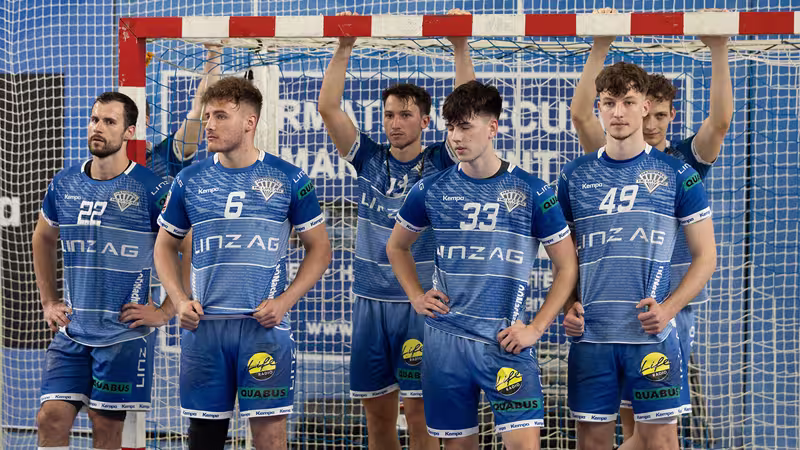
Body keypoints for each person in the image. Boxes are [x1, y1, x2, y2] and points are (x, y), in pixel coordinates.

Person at [386, 80, 578, 450]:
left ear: (492, 128)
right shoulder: (430, 188)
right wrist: (416, 296)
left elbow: (567, 266)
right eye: (451, 127)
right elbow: (396, 246)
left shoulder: (533, 190)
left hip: (505, 343)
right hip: (445, 344)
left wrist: (536, 328)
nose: (456, 137)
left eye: (466, 126)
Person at [317, 9, 476, 450]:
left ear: (425, 121)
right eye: (389, 115)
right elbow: (328, 107)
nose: (395, 123)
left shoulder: (442, 162)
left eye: (405, 115)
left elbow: (468, 106)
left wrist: (460, 45)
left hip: (420, 302)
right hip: (370, 301)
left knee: (420, 413)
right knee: (378, 416)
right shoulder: (369, 159)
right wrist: (345, 45)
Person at [569, 10, 732, 439]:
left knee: (658, 432)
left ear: (668, 115)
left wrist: (718, 48)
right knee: (630, 427)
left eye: (660, 115)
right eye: (646, 114)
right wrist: (601, 42)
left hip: (669, 305)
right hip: (612, 310)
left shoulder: (684, 164)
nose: (651, 124)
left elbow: (720, 122)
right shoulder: (602, 159)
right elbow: (582, 117)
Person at [155, 76, 331, 450]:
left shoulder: (289, 178)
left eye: (220, 116)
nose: (209, 124)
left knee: (269, 438)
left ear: (250, 122)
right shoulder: (188, 180)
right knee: (204, 440)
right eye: (207, 116)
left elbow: (320, 249)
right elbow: (164, 247)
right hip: (204, 331)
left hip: (262, 330)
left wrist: (284, 302)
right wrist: (179, 301)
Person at [32, 91, 173, 450]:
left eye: (110, 121)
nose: (98, 127)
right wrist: (49, 301)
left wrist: (166, 310)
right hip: (73, 330)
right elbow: (43, 237)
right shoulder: (64, 183)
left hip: (122, 334)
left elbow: (185, 248)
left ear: (129, 132)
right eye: (95, 119)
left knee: (106, 427)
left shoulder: (152, 188)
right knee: (50, 417)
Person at [146, 43, 223, 180]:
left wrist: (214, 52)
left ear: (145, 120)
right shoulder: (108, 163)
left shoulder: (164, 154)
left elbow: (202, 110)